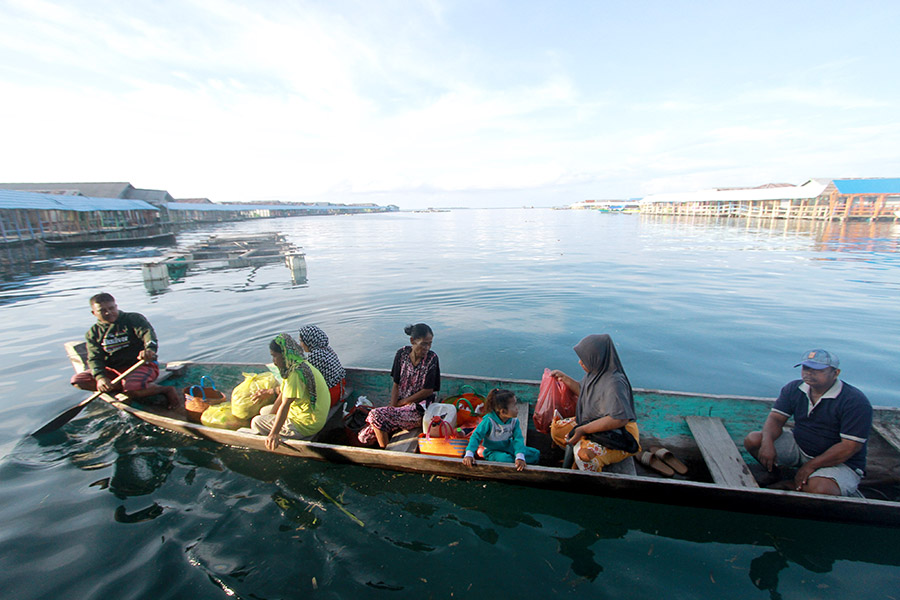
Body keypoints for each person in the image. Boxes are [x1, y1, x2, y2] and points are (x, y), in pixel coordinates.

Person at [743, 349, 872, 496]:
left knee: (821, 489)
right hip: (801, 446)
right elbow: (776, 418)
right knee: (754, 440)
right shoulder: (794, 389)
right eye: (806, 368)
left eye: (818, 370)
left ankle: (792, 484)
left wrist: (810, 466)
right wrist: (767, 443)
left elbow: (850, 447)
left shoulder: (854, 401)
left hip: (840, 462)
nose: (809, 373)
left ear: (836, 373)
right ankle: (775, 473)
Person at [71, 292, 179, 409]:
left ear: (116, 306)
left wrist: (149, 350)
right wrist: (100, 378)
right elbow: (94, 358)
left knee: (132, 389)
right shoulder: (93, 333)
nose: (108, 313)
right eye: (102, 310)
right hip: (114, 369)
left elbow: (148, 335)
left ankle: (166, 390)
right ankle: (125, 386)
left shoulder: (133, 319)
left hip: (141, 365)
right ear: (94, 313)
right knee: (78, 381)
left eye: (111, 308)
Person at [549, 334, 641, 472]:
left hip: (618, 432)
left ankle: (588, 456)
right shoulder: (596, 372)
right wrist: (564, 378)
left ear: (597, 358)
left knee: (585, 458)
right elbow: (584, 392)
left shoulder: (614, 383)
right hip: (594, 420)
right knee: (557, 430)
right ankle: (579, 446)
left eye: (584, 359)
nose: (580, 362)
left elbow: (620, 419)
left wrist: (583, 429)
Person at [358, 323, 440, 448]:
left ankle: (385, 452)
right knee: (364, 436)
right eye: (424, 343)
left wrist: (401, 403)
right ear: (412, 341)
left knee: (376, 415)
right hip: (400, 408)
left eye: (430, 344)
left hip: (419, 410)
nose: (427, 348)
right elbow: (396, 384)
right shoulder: (401, 354)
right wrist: (392, 405)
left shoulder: (432, 358)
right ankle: (385, 441)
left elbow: (428, 391)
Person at [250, 333, 331, 449]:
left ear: (284, 355)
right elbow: (283, 393)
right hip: (310, 415)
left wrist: (274, 433)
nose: (273, 361)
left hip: (306, 424)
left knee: (256, 422)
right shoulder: (298, 364)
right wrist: (272, 415)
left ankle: (268, 445)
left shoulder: (295, 374)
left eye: (275, 356)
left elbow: (285, 404)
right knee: (264, 411)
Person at [462, 388, 540, 471]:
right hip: (492, 450)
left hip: (508, 446)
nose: (517, 408)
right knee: (506, 460)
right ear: (503, 412)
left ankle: (516, 459)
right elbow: (476, 436)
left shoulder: (514, 421)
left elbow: (518, 439)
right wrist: (469, 454)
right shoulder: (489, 421)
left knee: (534, 454)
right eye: (514, 406)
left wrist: (520, 456)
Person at [298, 324, 346, 407]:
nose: (300, 344)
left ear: (309, 340)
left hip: (330, 395)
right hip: (340, 389)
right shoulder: (326, 348)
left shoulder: (315, 355)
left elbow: (306, 382)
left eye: (301, 341)